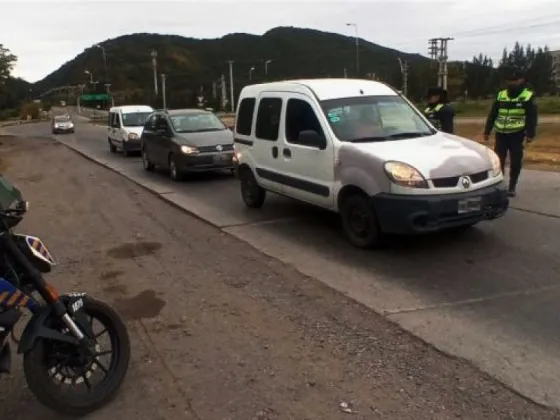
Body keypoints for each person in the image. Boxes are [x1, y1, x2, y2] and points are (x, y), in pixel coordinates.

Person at [483, 68, 537, 197]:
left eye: (515, 80)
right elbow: (493, 113)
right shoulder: (501, 94)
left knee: (515, 161)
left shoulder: (528, 95)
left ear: (522, 80)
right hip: (501, 133)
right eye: (509, 80)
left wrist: (530, 134)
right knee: (499, 160)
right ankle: (500, 184)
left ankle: (512, 186)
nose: (511, 83)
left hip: (516, 133)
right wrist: (487, 130)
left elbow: (532, 116)